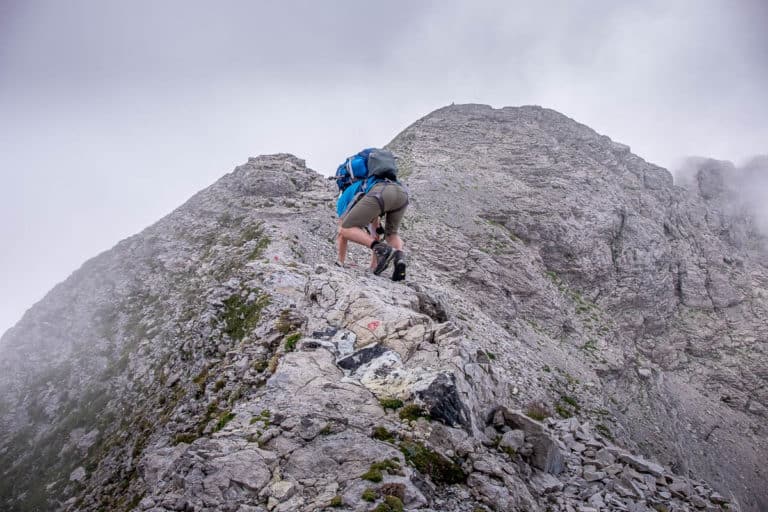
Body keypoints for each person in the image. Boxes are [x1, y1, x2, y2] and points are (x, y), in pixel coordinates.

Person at [336, 172, 408, 280]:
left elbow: (343, 231)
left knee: (345, 228)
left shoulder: (346, 195)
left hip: (381, 193)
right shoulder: (370, 184)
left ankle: (382, 250)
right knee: (391, 235)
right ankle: (399, 259)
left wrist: (340, 262)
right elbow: (375, 230)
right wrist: (373, 267)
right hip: (402, 194)